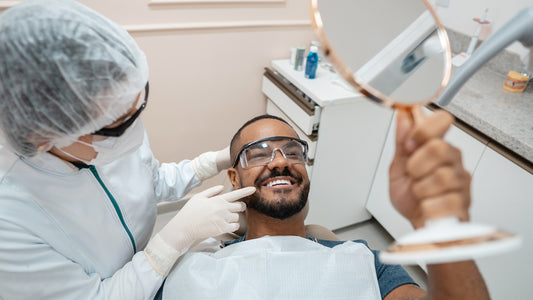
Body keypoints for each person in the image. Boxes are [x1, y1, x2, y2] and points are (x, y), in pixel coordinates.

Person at [0, 1, 254, 299]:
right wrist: (169, 243)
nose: (133, 130)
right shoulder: (11, 221)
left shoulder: (107, 130)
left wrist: (213, 161)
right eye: (118, 123)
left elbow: (149, 181)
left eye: (136, 108)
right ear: (44, 133)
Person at [163, 111, 491, 299]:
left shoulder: (369, 261)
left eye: (293, 151)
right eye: (259, 153)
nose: (279, 162)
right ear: (233, 177)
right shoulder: (191, 268)